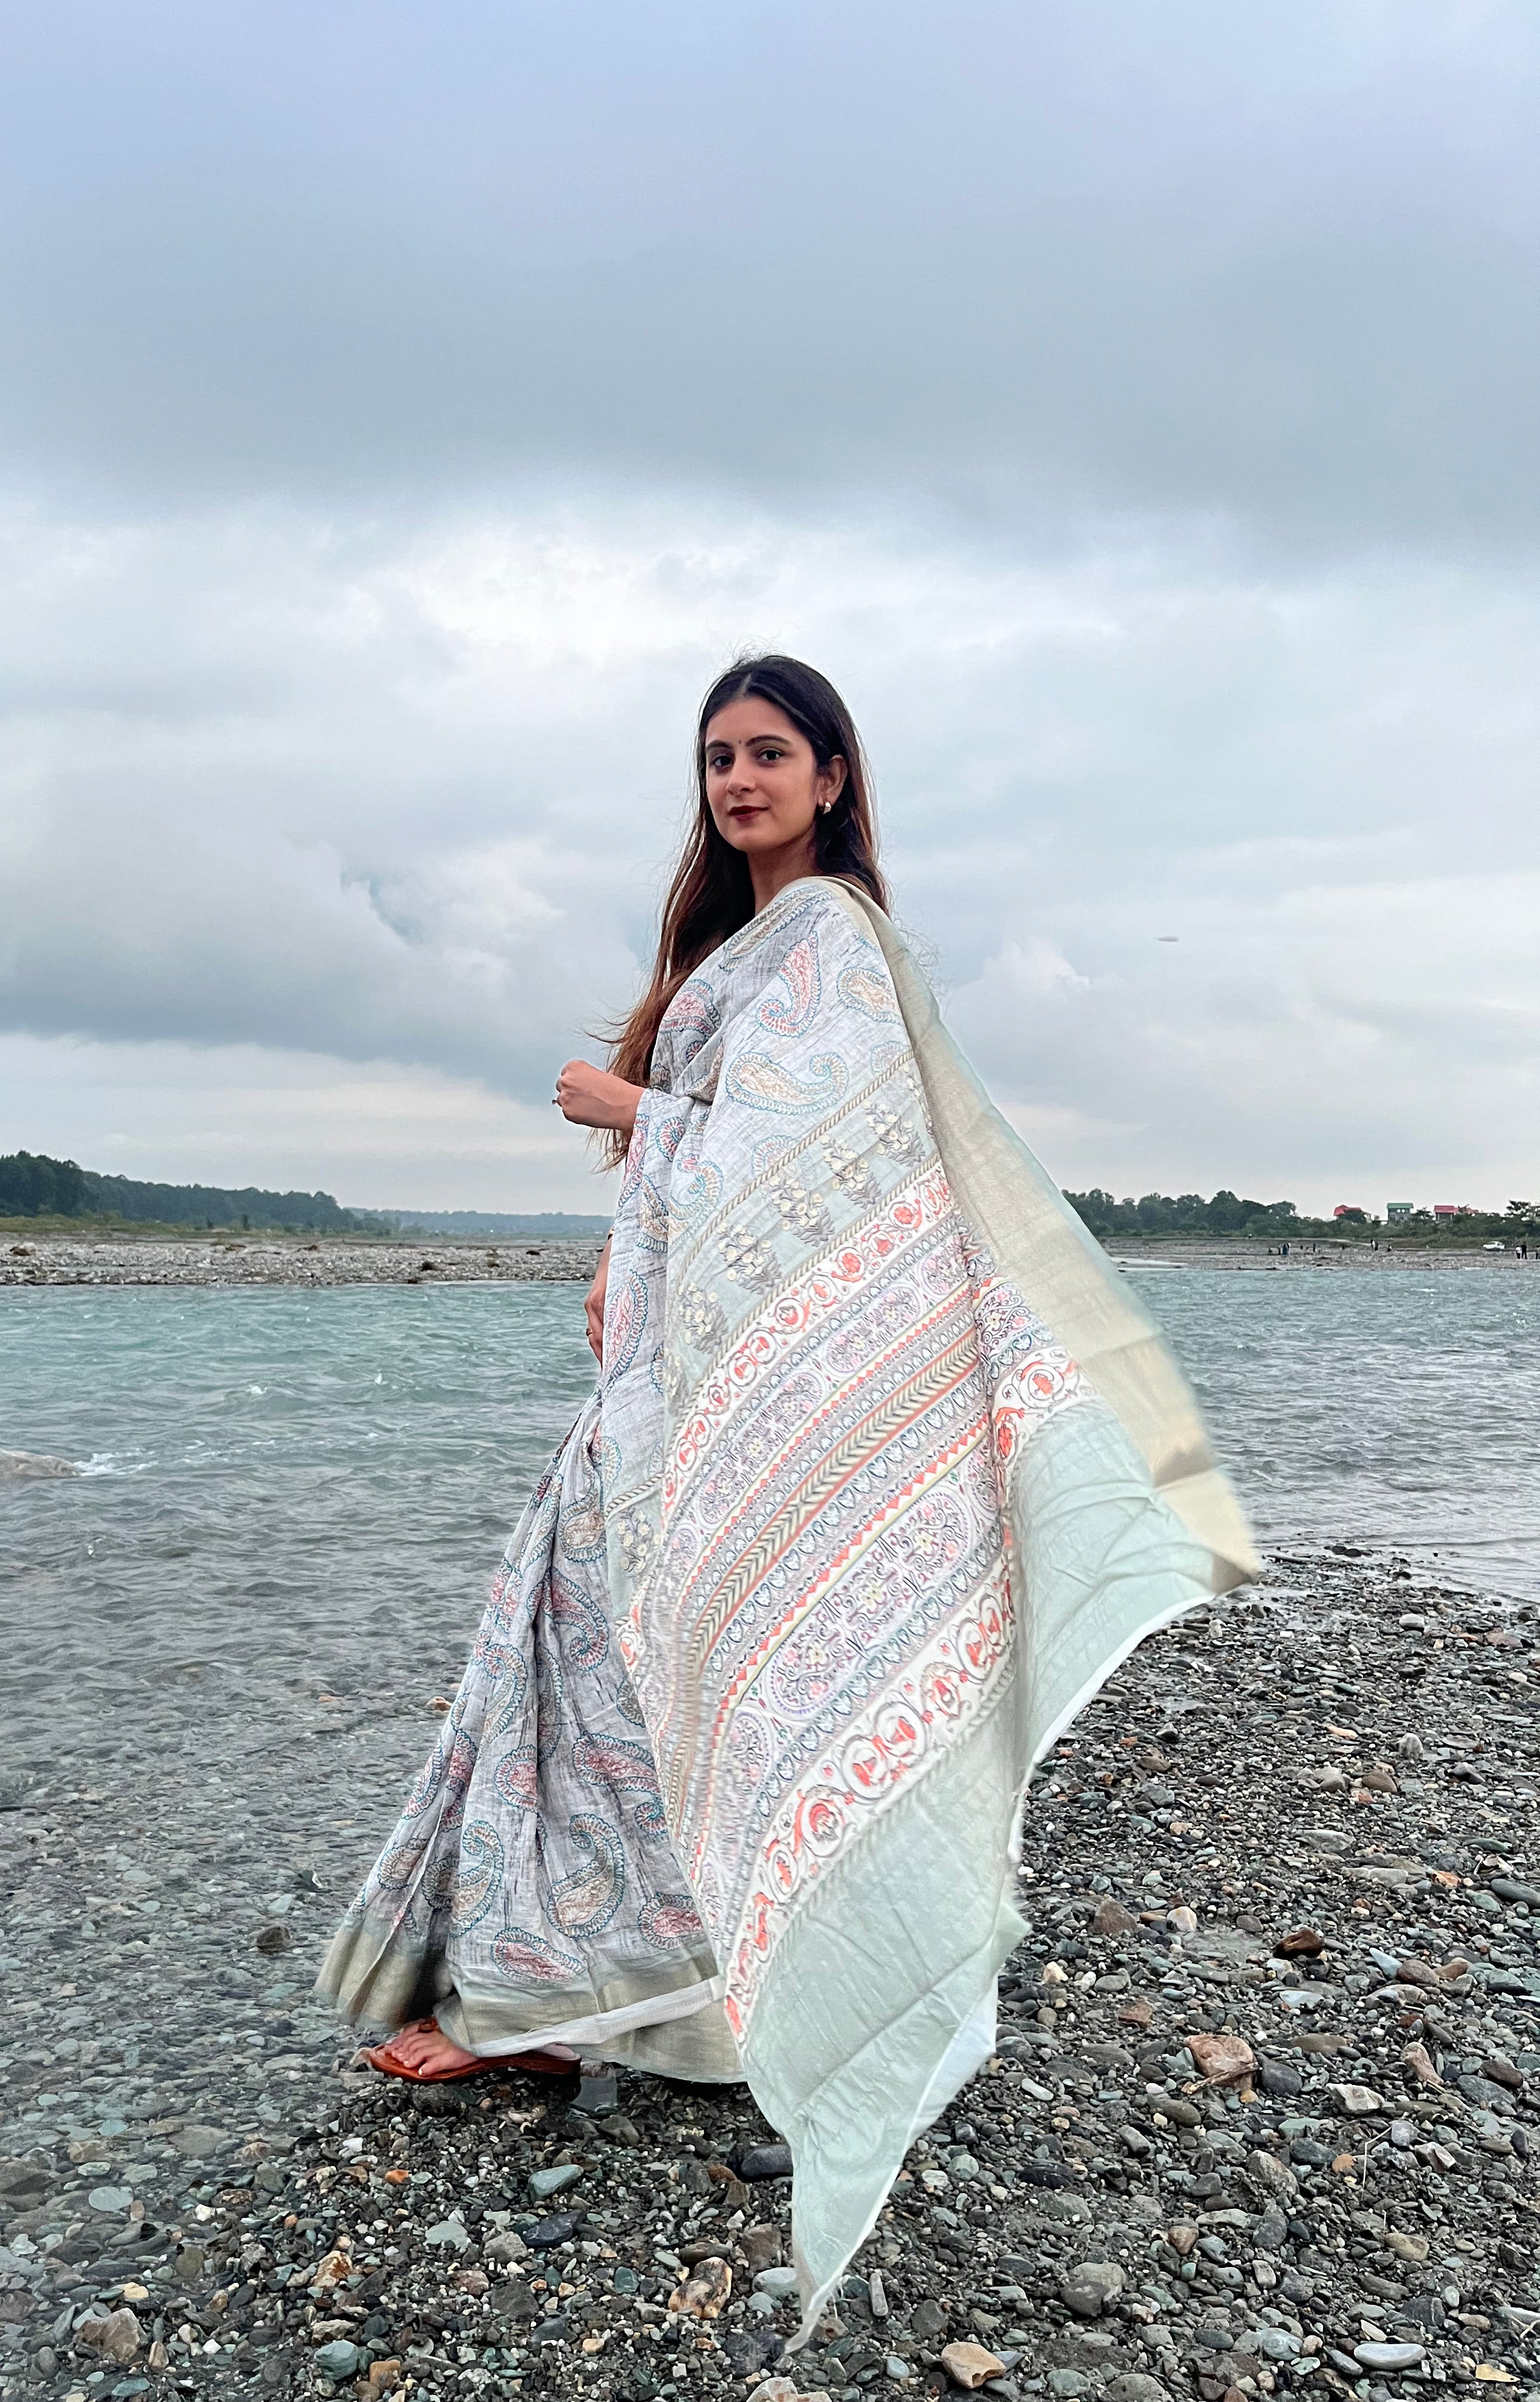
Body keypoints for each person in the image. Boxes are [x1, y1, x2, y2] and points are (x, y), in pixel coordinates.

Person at [318, 655, 1255, 2334]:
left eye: (767, 753)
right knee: (592, 1656)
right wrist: (635, 1258)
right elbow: (744, 1165)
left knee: (635, 1667)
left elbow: (814, 1171)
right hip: (668, 1377)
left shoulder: (826, 939)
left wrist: (634, 1111)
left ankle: (596, 1999)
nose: (738, 779)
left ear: (831, 773)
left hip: (731, 1398)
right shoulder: (745, 947)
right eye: (716, 758)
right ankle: (618, 1989)